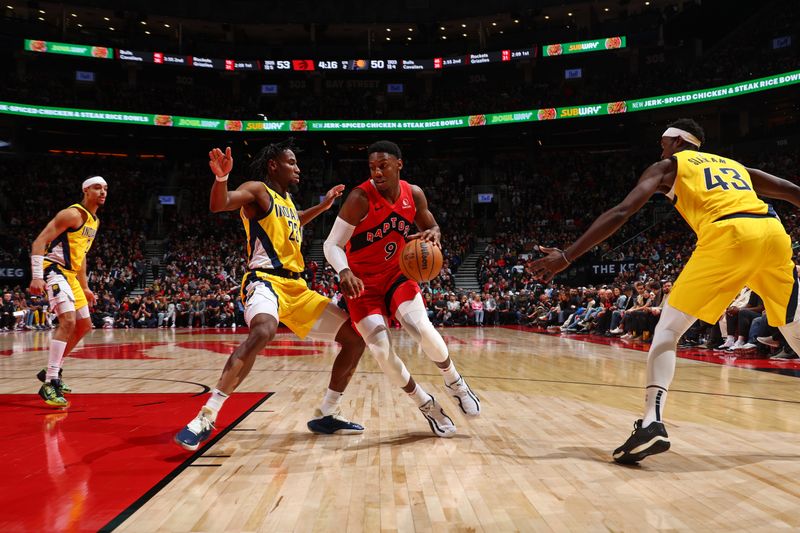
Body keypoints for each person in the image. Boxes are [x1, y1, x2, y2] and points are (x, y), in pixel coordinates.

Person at [531, 118, 800, 464]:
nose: (660, 149)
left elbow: (623, 210)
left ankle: (650, 423)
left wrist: (566, 257)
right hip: (773, 234)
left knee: (668, 331)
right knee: (793, 325)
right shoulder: (735, 166)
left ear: (676, 142)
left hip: (729, 234)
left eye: (663, 143)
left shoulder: (669, 166)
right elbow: (793, 191)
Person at [175, 140, 366, 451]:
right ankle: (207, 415)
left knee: (355, 340)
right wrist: (221, 178)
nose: (298, 167)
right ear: (274, 165)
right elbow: (219, 204)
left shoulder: (286, 201)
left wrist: (323, 206)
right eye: (291, 162)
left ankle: (328, 412)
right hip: (264, 282)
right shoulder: (256, 190)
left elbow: (296, 219)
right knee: (264, 330)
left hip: (298, 289)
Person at [323, 140, 480, 438]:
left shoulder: (414, 194)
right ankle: (426, 404)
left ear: (399, 165)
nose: (377, 173)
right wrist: (343, 270)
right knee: (382, 352)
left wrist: (435, 232)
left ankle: (455, 382)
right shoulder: (359, 198)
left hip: (396, 274)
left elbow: (432, 227)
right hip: (361, 286)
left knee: (421, 328)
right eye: (372, 168)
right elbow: (332, 244)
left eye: (383, 166)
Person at [30, 176, 107, 407]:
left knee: (85, 326)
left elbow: (81, 255)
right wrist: (36, 276)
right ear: (85, 190)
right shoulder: (72, 214)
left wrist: (84, 286)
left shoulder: (94, 221)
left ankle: (51, 371)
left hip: (72, 275)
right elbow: (39, 241)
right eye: (97, 187)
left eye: (105, 188)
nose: (103, 192)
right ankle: (49, 384)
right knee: (68, 322)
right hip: (54, 270)